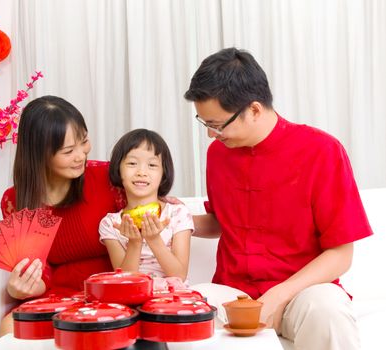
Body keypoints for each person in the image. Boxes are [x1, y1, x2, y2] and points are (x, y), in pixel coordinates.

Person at [184, 47, 372, 349]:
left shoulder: (321, 151)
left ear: (254, 110)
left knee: (327, 312)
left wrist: (280, 294)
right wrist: (175, 219)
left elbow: (340, 254)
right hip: (233, 293)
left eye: (217, 125)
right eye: (205, 123)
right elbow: (223, 222)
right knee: (185, 311)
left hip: (303, 292)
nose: (210, 135)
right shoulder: (218, 154)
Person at [0, 95, 125, 334]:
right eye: (68, 151)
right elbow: (37, 267)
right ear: (39, 155)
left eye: (84, 142)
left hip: (112, 290)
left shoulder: (108, 177)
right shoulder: (14, 200)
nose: (81, 155)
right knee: (9, 327)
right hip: (58, 296)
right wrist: (25, 288)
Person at [99, 129, 193, 290]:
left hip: (173, 299)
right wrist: (135, 243)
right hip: (133, 296)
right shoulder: (111, 223)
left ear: (164, 173)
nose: (142, 172)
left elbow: (179, 275)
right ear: (118, 169)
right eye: (132, 164)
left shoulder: (177, 214)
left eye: (152, 165)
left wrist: (154, 240)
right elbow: (125, 281)